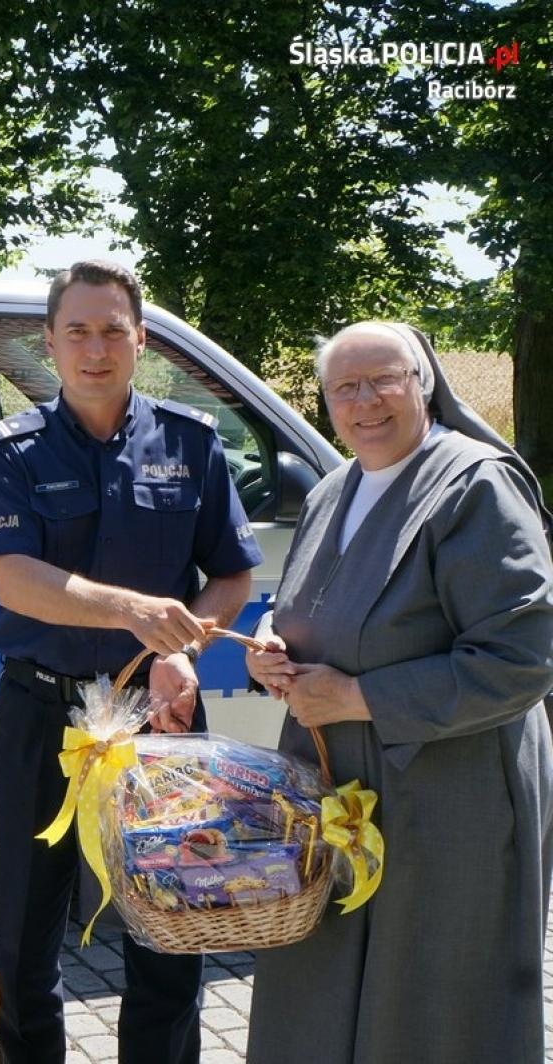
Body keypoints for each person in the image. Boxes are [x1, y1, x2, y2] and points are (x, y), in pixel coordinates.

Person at [0, 260, 264, 1064]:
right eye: (77, 332)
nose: (95, 349)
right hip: (44, 716)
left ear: (140, 341)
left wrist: (188, 647)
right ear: (51, 345)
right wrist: (133, 612)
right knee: (26, 939)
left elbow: (233, 573)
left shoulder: (191, 442)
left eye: (112, 331)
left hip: (160, 722)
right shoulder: (13, 449)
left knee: (170, 929)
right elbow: (16, 579)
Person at [244, 322, 553, 1063]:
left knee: (434, 1000)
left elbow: (523, 655)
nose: (365, 401)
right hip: (341, 788)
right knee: (318, 979)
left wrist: (359, 699)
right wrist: (273, 645)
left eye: (385, 379)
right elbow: (312, 610)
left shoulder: (475, 484)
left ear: (424, 383)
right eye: (344, 387)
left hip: (452, 796)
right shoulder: (330, 490)